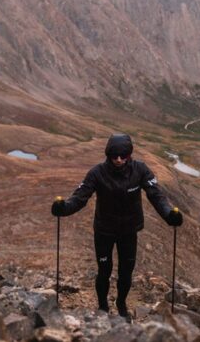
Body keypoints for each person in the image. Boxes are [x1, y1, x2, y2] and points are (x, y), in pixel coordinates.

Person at [51, 133, 183, 318]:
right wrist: (64, 208)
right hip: (104, 231)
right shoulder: (97, 173)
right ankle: (103, 307)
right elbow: (80, 197)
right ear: (108, 155)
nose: (119, 160)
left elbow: (156, 195)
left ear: (129, 154)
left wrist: (169, 214)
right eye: (114, 156)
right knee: (104, 271)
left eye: (123, 156)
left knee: (126, 273)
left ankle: (121, 304)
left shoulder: (140, 170)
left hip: (129, 231)